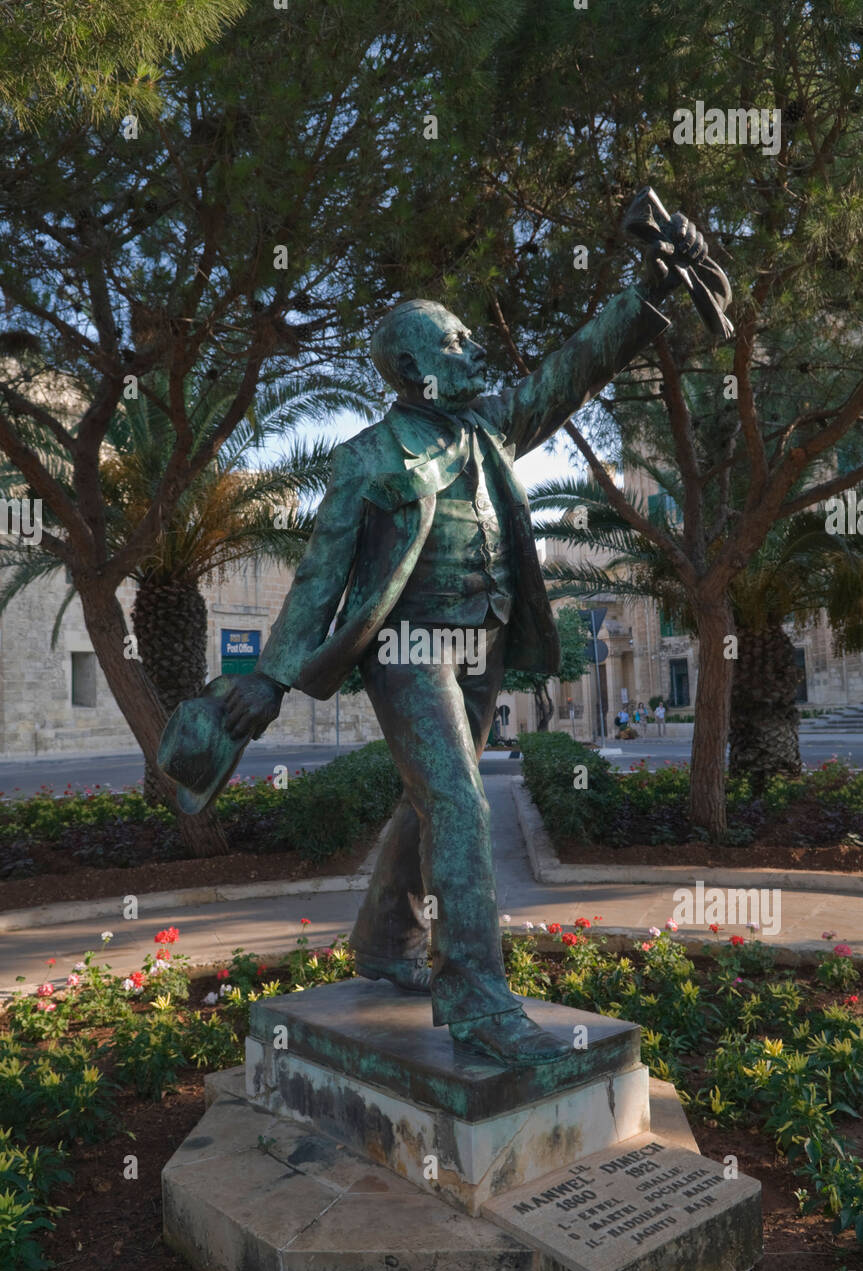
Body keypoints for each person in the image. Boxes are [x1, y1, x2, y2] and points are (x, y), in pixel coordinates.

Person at [217, 203, 718, 1066]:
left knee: (429, 801)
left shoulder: (487, 428)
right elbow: (318, 579)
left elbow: (569, 373)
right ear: (411, 365)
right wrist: (271, 675)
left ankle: (382, 942)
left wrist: (646, 292)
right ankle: (478, 999)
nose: (471, 349)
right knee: (455, 801)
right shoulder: (368, 457)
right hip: (404, 652)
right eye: (453, 342)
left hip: (478, 645)